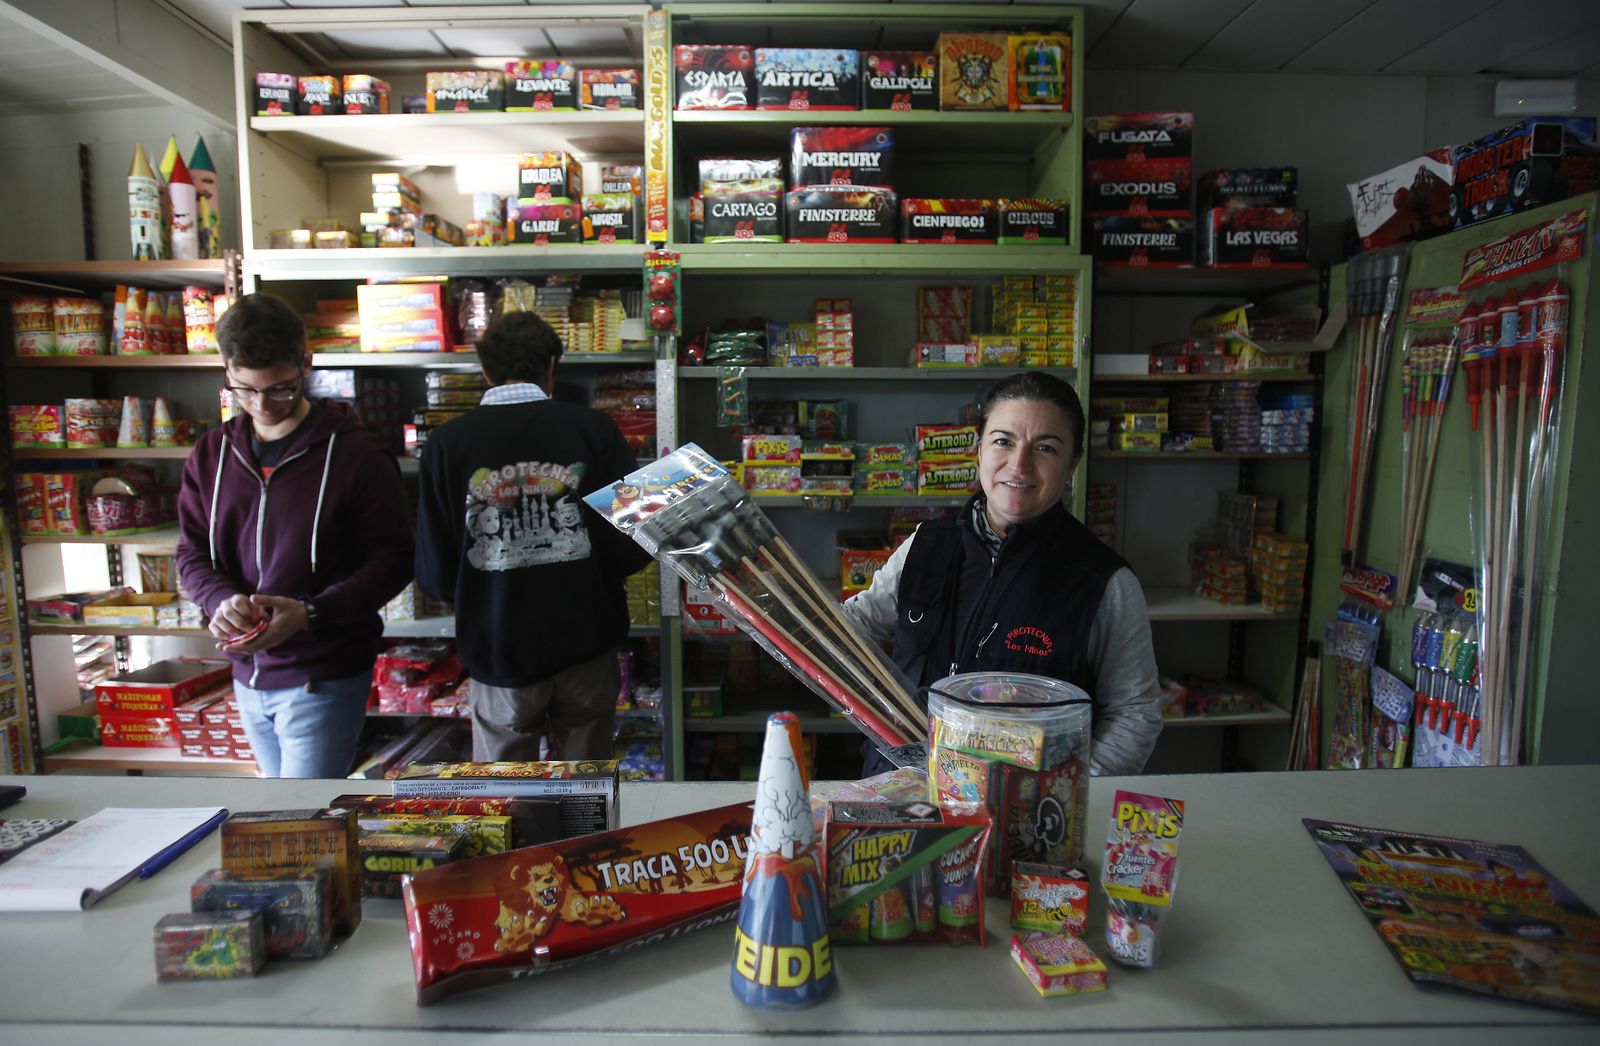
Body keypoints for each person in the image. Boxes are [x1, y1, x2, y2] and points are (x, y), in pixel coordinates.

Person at [840, 370, 1164, 776]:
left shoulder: (1104, 582)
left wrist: (1070, 796)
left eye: (1045, 447)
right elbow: (854, 629)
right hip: (902, 794)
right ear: (979, 450)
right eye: (1002, 441)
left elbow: (1135, 713)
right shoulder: (926, 545)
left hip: (1021, 816)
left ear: (1072, 465)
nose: (1019, 464)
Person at [176, 293, 413, 777]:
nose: (262, 405)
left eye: (280, 388)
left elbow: (393, 560)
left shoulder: (356, 455)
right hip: (244, 675)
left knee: (302, 825)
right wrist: (219, 600)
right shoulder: (211, 453)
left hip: (321, 674)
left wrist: (310, 612)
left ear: (306, 364)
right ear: (226, 368)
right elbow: (191, 550)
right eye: (244, 390)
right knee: (277, 820)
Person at [415, 310, 651, 761]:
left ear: (485, 370)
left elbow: (436, 575)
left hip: (499, 652)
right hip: (587, 646)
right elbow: (633, 541)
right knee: (587, 799)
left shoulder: (446, 444)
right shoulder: (595, 429)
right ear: (552, 365)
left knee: (505, 807)